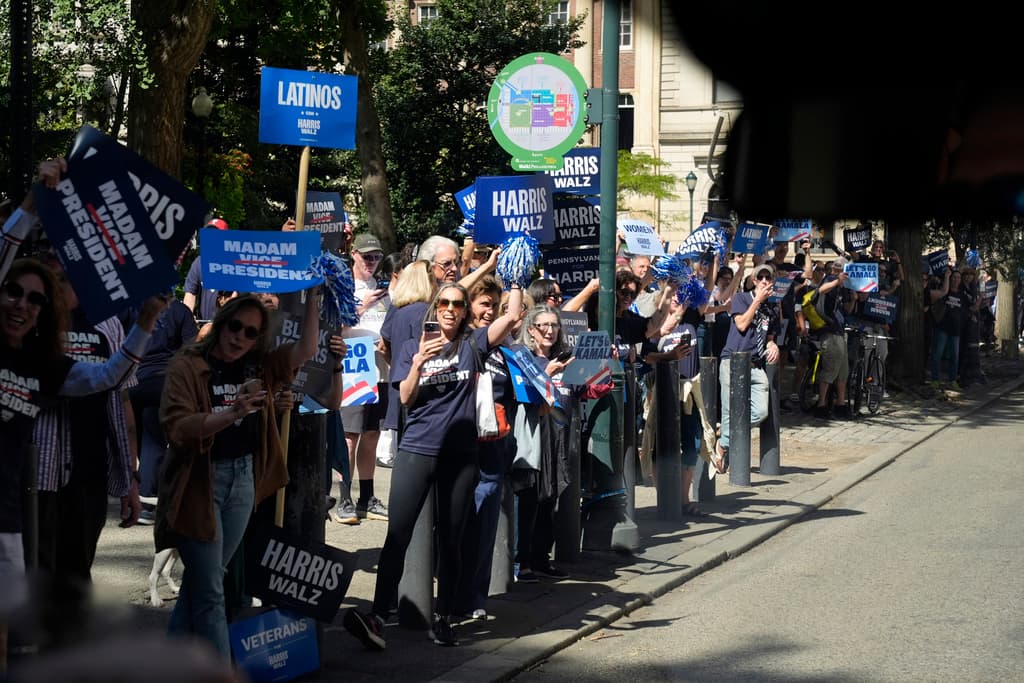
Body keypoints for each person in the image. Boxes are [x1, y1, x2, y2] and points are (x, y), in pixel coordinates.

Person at [0, 158, 167, 623]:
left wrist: (129, 480)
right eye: (17, 294)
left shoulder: (74, 344)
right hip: (29, 484)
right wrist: (32, 205)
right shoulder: (19, 338)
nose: (26, 305)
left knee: (65, 593)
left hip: (79, 482)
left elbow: (111, 388)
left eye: (36, 299)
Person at [344, 281, 524, 649]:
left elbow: (512, 316)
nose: (450, 309)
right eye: (443, 302)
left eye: (457, 304)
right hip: (417, 449)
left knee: (451, 538)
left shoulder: (472, 344)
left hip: (459, 455)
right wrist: (420, 363)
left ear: (464, 311)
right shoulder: (413, 346)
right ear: (434, 306)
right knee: (398, 534)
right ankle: (378, 616)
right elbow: (406, 397)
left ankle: (444, 618)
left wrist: (516, 277)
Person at [156, 287, 320, 659]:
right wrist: (232, 413)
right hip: (200, 482)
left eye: (250, 332)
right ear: (220, 324)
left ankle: (164, 664)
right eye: (234, 327)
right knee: (212, 590)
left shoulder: (258, 363)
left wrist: (313, 296)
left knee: (203, 581)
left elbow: (305, 351)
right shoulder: (189, 363)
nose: (239, 337)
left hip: (243, 480)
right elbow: (177, 426)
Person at [455, 284, 532, 620]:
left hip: (497, 446)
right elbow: (512, 315)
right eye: (484, 305)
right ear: (469, 308)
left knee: (486, 526)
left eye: (494, 306)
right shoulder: (472, 341)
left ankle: (476, 597)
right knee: (464, 522)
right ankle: (456, 596)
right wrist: (514, 278)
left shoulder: (507, 350)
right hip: (467, 444)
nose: (490, 311)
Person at [512, 304, 573, 584]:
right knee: (530, 498)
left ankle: (541, 558)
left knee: (551, 497)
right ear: (531, 330)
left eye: (554, 325)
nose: (550, 331)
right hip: (533, 434)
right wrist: (547, 371)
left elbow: (581, 390)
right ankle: (521, 562)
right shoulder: (522, 357)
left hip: (558, 433)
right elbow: (528, 397)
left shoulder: (565, 357)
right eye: (543, 326)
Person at [340, 233, 391, 523]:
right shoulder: (345, 287)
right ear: (354, 255)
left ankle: (366, 496)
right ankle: (344, 497)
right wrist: (362, 306)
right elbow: (336, 326)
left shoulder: (384, 291)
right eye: (367, 256)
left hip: (379, 369)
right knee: (350, 436)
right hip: (354, 369)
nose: (371, 262)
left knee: (372, 434)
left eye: (376, 257)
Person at [714, 262, 781, 473]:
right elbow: (741, 324)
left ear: (772, 282)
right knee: (728, 411)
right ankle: (728, 460)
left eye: (767, 278)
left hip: (755, 364)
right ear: (753, 281)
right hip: (732, 361)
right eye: (760, 278)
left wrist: (773, 344)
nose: (763, 281)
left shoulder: (772, 308)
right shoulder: (742, 298)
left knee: (761, 411)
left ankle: (723, 443)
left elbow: (770, 337)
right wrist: (757, 301)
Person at [800, 259, 854, 420]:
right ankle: (822, 405)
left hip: (839, 331)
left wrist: (853, 297)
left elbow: (847, 310)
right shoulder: (831, 279)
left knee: (843, 371)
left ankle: (840, 404)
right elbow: (822, 290)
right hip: (828, 331)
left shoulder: (843, 287)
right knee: (830, 369)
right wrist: (838, 280)